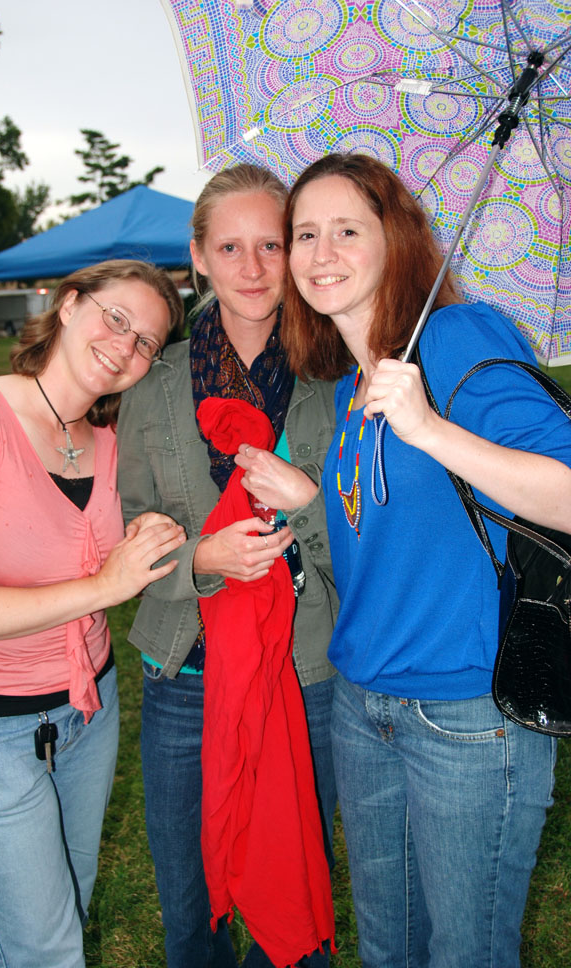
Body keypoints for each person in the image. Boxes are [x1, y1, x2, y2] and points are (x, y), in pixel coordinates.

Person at [249, 151, 571, 968]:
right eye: (305, 234)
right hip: (364, 706)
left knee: (465, 953)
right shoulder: (350, 388)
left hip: (465, 717)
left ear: (395, 241)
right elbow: (404, 529)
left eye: (347, 230)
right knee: (388, 946)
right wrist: (314, 497)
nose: (321, 254)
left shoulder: (457, 337)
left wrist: (432, 430)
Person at [0, 259, 187, 968]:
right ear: (69, 305)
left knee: (70, 903)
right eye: (116, 319)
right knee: (47, 950)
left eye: (145, 344)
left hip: (85, 717)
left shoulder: (108, 445)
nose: (125, 347)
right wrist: (107, 584)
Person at [116, 163, 338, 968]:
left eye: (272, 245)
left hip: (303, 668)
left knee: (296, 898)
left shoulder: (337, 376)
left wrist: (310, 502)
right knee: (193, 905)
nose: (252, 268)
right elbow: (124, 526)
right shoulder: (154, 380)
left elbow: (368, 527)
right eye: (231, 247)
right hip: (185, 665)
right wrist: (200, 557)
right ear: (199, 256)